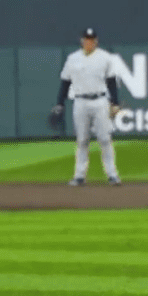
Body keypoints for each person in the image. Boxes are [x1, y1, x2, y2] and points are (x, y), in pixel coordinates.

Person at [52, 28, 122, 186]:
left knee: (105, 139)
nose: (89, 42)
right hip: (80, 101)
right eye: (86, 39)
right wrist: (60, 102)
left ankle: (112, 175)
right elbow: (65, 82)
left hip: (100, 100)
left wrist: (115, 103)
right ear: (82, 41)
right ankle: (79, 176)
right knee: (82, 140)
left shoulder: (105, 57)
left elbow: (111, 83)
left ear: (96, 41)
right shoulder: (72, 58)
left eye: (92, 39)